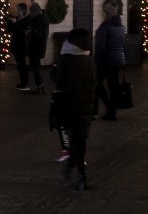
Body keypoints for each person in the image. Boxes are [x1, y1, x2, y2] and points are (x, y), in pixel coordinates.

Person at [54, 27, 96, 191]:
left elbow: (59, 83)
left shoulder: (66, 60)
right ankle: (74, 170)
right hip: (86, 105)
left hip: (68, 105)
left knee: (75, 140)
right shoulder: (89, 59)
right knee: (79, 140)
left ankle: (80, 176)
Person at [94, 0, 126, 121]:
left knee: (97, 83)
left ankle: (108, 107)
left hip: (106, 60)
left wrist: (96, 60)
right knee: (113, 86)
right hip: (117, 60)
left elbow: (101, 45)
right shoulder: (121, 27)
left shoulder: (106, 26)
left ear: (106, 13)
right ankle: (112, 111)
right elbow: (123, 45)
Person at [7, 3, 31, 91]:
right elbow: (12, 29)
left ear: (24, 10)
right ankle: (23, 82)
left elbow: (22, 32)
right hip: (17, 45)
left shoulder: (27, 20)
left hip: (22, 45)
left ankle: (25, 83)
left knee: (22, 65)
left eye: (19, 10)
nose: (17, 12)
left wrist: (16, 23)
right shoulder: (18, 18)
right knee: (20, 65)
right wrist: (10, 21)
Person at [27, 2, 50, 94]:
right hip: (39, 47)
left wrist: (29, 33)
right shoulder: (43, 19)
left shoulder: (38, 20)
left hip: (36, 48)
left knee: (36, 67)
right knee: (36, 67)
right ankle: (40, 85)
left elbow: (37, 34)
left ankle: (40, 85)